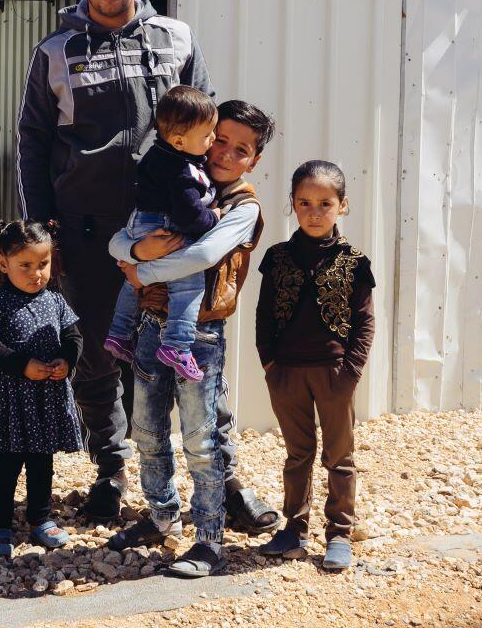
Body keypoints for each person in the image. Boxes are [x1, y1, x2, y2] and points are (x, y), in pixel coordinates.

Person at [14, 0, 207, 523]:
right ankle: (111, 467)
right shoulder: (54, 53)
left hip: (165, 230)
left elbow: (203, 127)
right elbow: (32, 144)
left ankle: (190, 473)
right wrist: (42, 231)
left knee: (173, 350)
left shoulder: (177, 40)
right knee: (98, 354)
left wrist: (215, 211)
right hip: (90, 231)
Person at [103, 100, 278, 578]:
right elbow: (119, 237)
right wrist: (134, 250)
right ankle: (162, 517)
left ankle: (209, 540)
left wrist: (141, 270)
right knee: (147, 431)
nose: (224, 152)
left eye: (240, 149)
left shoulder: (243, 206)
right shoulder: (176, 177)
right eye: (219, 139)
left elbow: (203, 254)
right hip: (150, 324)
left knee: (201, 441)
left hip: (198, 335)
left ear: (254, 160)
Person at [254, 160, 376, 573]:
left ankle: (340, 532)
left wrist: (351, 372)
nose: (314, 211)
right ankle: (294, 527)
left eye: (325, 203)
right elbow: (264, 316)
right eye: (304, 202)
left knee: (339, 456)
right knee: (297, 454)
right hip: (287, 372)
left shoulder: (354, 261)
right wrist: (270, 365)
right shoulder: (277, 257)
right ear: (292, 204)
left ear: (343, 206)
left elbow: (364, 320)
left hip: (334, 372)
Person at [0, 220, 83, 559]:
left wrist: (67, 360)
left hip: (45, 399)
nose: (36, 273)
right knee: (7, 464)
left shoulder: (56, 300)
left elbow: (74, 336)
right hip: (9, 400)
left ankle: (41, 519)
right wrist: (21, 365)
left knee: (42, 462)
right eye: (25, 265)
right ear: (3, 263)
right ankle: (0, 524)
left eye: (43, 264)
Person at [103, 85, 221, 381]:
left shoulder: (161, 154)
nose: (214, 140)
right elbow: (190, 215)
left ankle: (118, 333)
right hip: (164, 225)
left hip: (140, 221)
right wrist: (214, 216)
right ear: (180, 141)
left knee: (134, 280)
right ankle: (177, 345)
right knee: (189, 285)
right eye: (208, 135)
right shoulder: (181, 171)